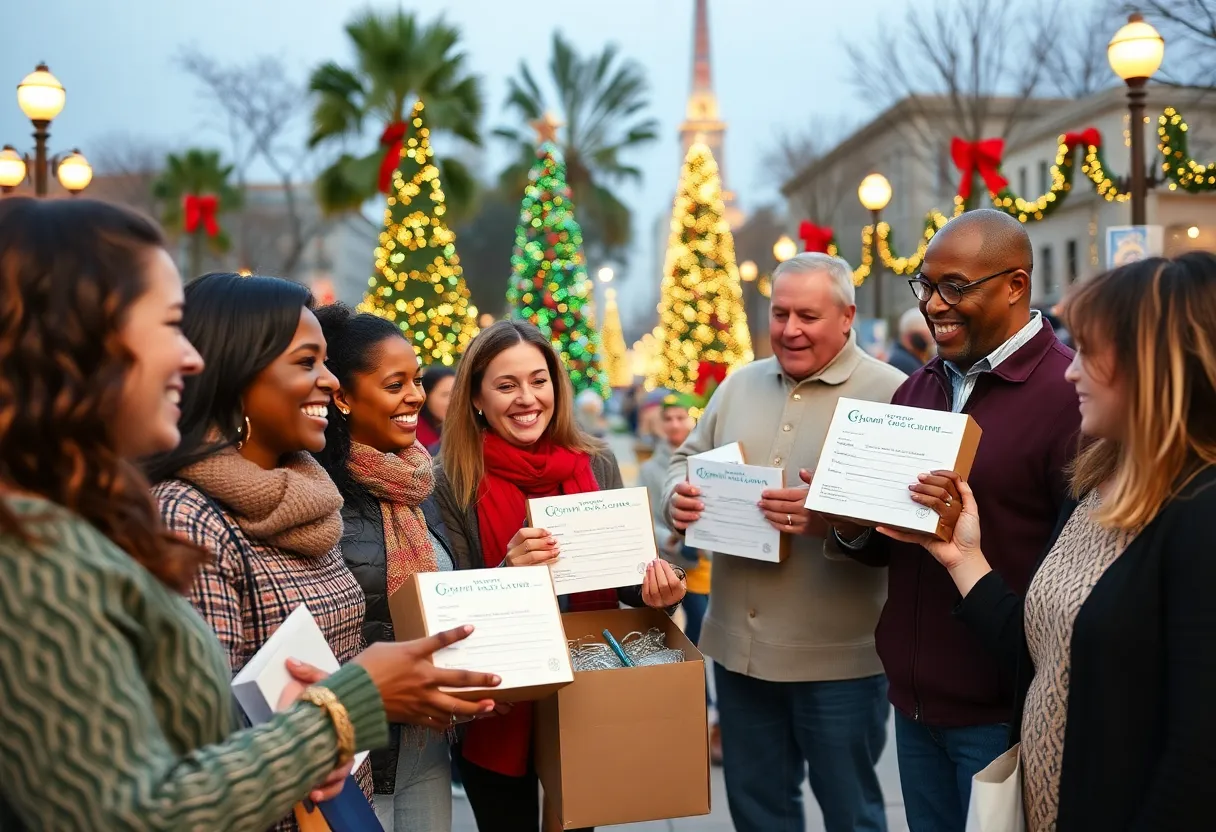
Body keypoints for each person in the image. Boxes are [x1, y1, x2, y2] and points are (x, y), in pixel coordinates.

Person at [0, 198, 500, 831]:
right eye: (164, 327)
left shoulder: (307, 494)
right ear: (71, 342)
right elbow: (137, 805)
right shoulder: (61, 546)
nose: (188, 358)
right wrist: (346, 706)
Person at [881, 252, 1216, 830]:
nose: (1070, 370)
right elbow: (1044, 651)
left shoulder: (1200, 513)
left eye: (1091, 350)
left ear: (1157, 363)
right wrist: (965, 559)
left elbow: (1198, 757)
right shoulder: (1097, 485)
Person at [146, 273, 494, 830]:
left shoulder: (312, 496)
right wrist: (360, 695)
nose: (330, 382)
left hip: (342, 800)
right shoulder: (187, 520)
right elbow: (197, 757)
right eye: (308, 362)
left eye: (327, 363)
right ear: (238, 375)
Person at [826, 209, 1080, 832]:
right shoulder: (920, 387)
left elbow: (1077, 570)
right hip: (916, 703)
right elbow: (890, 544)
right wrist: (851, 517)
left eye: (956, 287)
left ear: (1016, 285)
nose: (933, 305)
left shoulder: (1068, 393)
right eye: (927, 286)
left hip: (1005, 709)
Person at [665, 252, 906, 832]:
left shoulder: (893, 393)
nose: (790, 329)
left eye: (808, 316)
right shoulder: (739, 383)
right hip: (737, 652)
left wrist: (832, 517)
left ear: (847, 317)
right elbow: (685, 459)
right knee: (758, 812)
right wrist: (679, 495)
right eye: (779, 314)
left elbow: (913, 517)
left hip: (839, 658)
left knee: (853, 815)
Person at [433, 319, 687, 832]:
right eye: (506, 386)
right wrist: (509, 572)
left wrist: (663, 588)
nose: (527, 398)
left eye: (538, 380)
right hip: (499, 699)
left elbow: (629, 581)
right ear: (476, 398)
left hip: (587, 685)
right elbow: (446, 601)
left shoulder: (597, 462)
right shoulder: (450, 477)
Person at [311, 304, 461, 831]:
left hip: (426, 743)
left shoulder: (421, 482)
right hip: (354, 752)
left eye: (417, 381)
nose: (415, 397)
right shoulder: (317, 494)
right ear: (343, 397)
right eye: (395, 384)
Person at [639, 393, 721, 763]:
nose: (675, 425)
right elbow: (642, 515)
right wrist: (670, 534)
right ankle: (693, 714)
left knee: (704, 643)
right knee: (681, 643)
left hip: (708, 569)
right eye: (668, 418)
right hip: (672, 567)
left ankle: (710, 716)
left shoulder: (709, 462)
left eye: (681, 418)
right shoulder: (651, 469)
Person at [418, 366, 455, 454]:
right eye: (445, 394)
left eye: (458, 394)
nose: (454, 401)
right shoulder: (411, 438)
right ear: (425, 396)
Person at [887, 307, 934, 375]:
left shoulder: (905, 357)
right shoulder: (904, 364)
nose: (930, 343)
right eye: (925, 337)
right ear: (909, 338)